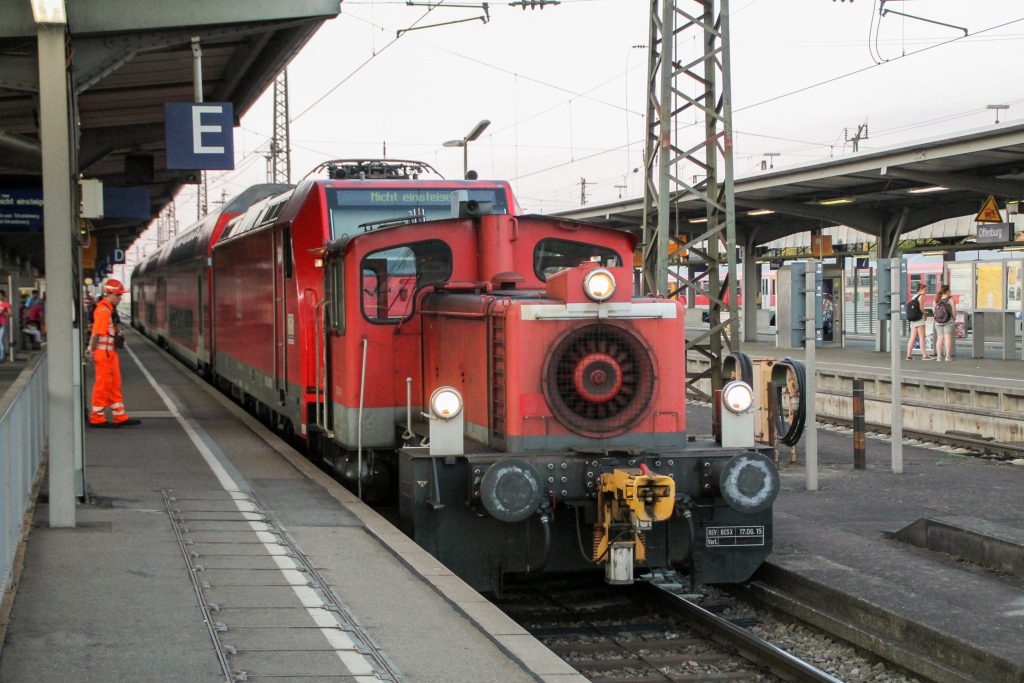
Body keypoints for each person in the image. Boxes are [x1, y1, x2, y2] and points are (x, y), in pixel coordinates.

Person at [86, 279, 140, 428]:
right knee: (102, 385)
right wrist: (91, 349)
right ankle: (97, 418)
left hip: (110, 353)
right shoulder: (104, 310)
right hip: (104, 353)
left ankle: (120, 416)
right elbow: (96, 334)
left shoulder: (109, 309)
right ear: (108, 294)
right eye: (118, 295)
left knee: (114, 384)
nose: (120, 298)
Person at [905, 282, 930, 360]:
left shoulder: (914, 297)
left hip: (913, 320)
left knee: (912, 337)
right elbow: (921, 308)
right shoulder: (921, 297)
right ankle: (925, 355)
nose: (926, 291)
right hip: (919, 320)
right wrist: (925, 315)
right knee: (922, 337)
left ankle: (909, 355)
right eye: (925, 289)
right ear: (921, 289)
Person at [933, 284, 956, 362]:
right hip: (948, 321)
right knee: (947, 338)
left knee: (940, 338)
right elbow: (953, 312)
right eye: (950, 290)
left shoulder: (937, 298)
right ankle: (948, 356)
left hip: (938, 321)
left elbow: (934, 311)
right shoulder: (950, 299)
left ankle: (939, 356)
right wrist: (954, 319)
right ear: (947, 291)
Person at [0, 290, 10, 362]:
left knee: (1, 340)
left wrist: (3, 312)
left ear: (3, 296)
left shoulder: (6, 304)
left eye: (0, 295)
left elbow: (10, 314)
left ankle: (2, 357)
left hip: (3, 323)